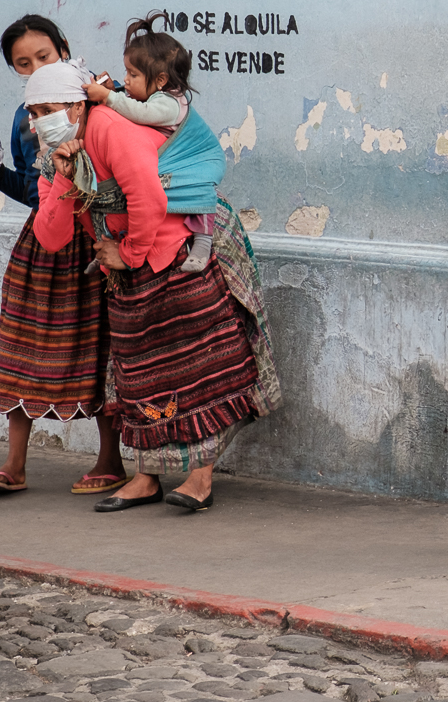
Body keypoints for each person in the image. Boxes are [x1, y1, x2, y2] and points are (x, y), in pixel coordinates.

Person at [24, 60, 278, 514]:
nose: (39, 120)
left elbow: (148, 193)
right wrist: (63, 175)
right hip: (127, 270)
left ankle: (201, 477)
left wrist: (130, 254)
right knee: (140, 371)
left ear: (76, 106)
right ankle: (146, 477)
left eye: (47, 109)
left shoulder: (108, 127)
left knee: (201, 364)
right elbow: (52, 235)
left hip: (176, 250)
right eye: (34, 111)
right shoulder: (55, 152)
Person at [0, 15, 126, 497]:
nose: (35, 66)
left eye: (43, 56)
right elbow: (34, 189)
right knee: (23, 343)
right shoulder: (28, 116)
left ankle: (110, 460)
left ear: (64, 47)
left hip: (99, 239)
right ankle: (14, 464)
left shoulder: (107, 97)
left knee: (101, 345)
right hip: (44, 242)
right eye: (23, 63)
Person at [85, 12, 216, 271]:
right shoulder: (153, 94)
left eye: (133, 74)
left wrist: (109, 98)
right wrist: (115, 91)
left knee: (197, 197)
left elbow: (140, 113)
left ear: (160, 81)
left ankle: (202, 244)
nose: (127, 80)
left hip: (194, 161)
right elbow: (135, 103)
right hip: (168, 161)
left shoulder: (169, 103)